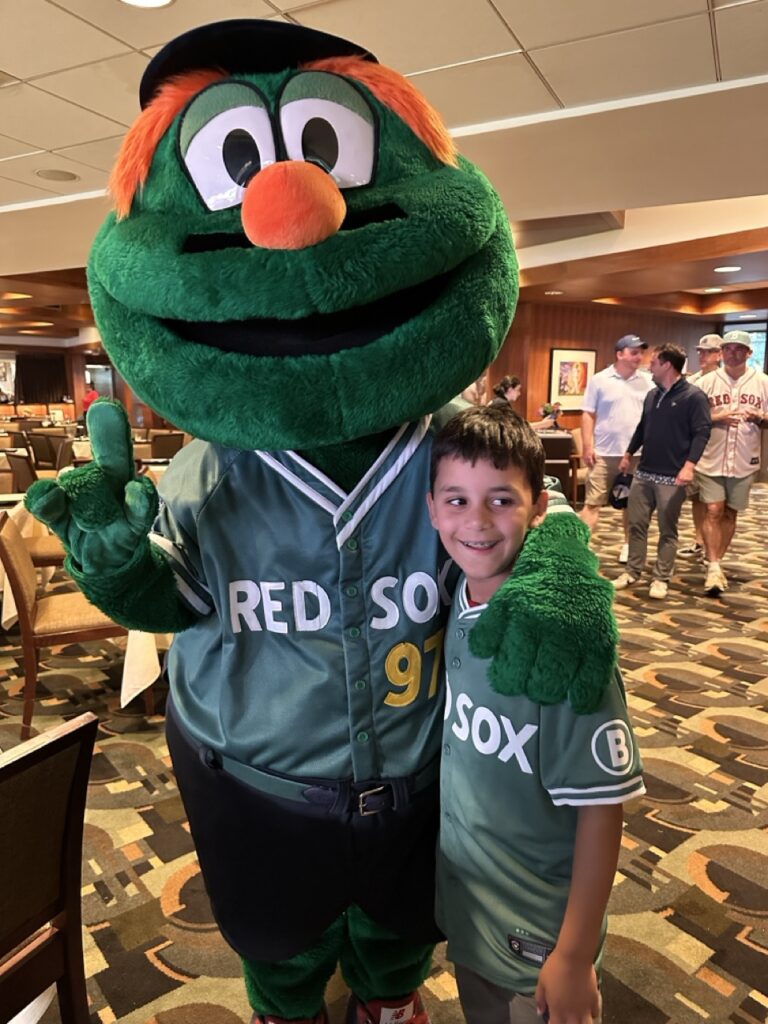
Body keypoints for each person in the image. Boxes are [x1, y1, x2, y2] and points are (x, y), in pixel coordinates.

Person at [427, 404, 645, 1024]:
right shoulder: (460, 593)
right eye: (456, 501)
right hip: (475, 908)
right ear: (432, 509)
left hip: (541, 932)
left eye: (501, 501)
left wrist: (574, 956)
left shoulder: (560, 639)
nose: (476, 522)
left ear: (540, 507)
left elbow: (602, 807)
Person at [613, 345, 711, 599]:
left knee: (668, 530)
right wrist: (628, 453)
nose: (649, 366)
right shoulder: (652, 395)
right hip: (644, 472)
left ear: (667, 365)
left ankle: (661, 578)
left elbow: (702, 433)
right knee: (636, 525)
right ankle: (633, 572)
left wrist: (690, 466)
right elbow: (643, 427)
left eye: (654, 362)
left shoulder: (694, 397)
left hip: (673, 476)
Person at [694, 330, 768, 595]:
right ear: (721, 352)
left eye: (739, 349)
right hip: (710, 458)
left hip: (744, 459)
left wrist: (760, 416)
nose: (733, 353)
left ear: (749, 353)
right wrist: (716, 417)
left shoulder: (762, 382)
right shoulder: (705, 383)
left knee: (730, 513)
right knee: (713, 509)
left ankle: (717, 561)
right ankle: (713, 566)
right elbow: (690, 421)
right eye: (728, 348)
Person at [580, 335, 654, 564]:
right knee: (592, 503)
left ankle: (628, 545)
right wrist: (587, 445)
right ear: (619, 353)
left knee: (632, 506)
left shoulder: (648, 382)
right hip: (603, 453)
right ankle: (580, 548)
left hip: (636, 455)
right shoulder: (600, 380)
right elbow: (588, 414)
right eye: (633, 352)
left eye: (641, 352)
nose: (638, 357)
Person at [680, 335, 722, 559]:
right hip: (695, 448)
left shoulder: (724, 380)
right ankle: (698, 540)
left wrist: (710, 418)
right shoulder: (693, 381)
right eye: (700, 351)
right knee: (695, 497)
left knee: (713, 503)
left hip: (718, 449)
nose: (702, 356)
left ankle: (711, 545)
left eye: (708, 351)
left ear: (719, 354)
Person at [491, 375, 559, 430]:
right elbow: (515, 428)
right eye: (518, 390)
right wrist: (542, 424)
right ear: (510, 390)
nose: (519, 393)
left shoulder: (499, 402)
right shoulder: (501, 404)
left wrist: (542, 423)